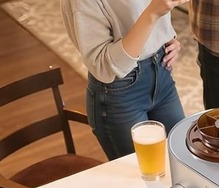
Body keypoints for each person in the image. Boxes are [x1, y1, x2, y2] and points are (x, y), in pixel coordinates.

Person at [62, 0, 189, 160]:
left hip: (162, 73)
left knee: (184, 159)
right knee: (144, 178)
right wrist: (153, 12)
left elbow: (138, 14)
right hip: (121, 92)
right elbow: (103, 66)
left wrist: (165, 37)